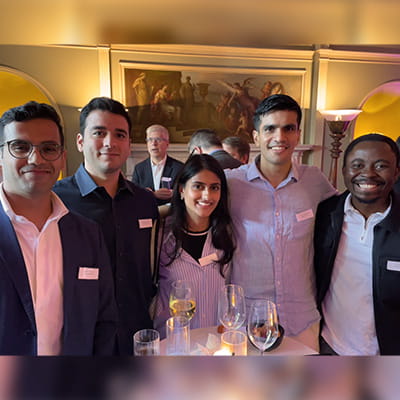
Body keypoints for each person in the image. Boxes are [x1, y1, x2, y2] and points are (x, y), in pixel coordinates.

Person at [0, 101, 117, 355]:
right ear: (1, 156)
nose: (36, 158)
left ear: (63, 158)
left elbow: (104, 321)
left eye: (48, 148)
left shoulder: (88, 234)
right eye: (20, 147)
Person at [225, 94, 336, 351]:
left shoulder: (314, 181)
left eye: (288, 128)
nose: (280, 137)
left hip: (302, 319)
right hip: (247, 320)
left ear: (298, 135)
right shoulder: (232, 183)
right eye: (270, 129)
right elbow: (189, 207)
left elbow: (346, 214)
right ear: (256, 137)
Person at [53, 97, 158, 355]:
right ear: (80, 141)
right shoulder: (56, 200)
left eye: (119, 135)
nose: (110, 142)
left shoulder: (144, 202)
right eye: (99, 133)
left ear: (129, 144)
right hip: (80, 340)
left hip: (138, 335)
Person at [315, 133, 400, 355]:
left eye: (381, 166)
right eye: (357, 165)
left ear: (396, 172)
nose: (368, 173)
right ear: (345, 171)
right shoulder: (325, 213)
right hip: (329, 345)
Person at [153, 154, 235, 337]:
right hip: (173, 341)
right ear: (182, 190)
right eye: (198, 186)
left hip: (215, 340)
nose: (207, 195)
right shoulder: (160, 236)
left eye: (214, 188)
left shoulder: (227, 234)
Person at [132, 124, 183, 205]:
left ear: (167, 143)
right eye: (150, 140)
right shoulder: (139, 169)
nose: (154, 143)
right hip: (146, 210)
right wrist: (152, 194)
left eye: (158, 139)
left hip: (171, 211)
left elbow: (185, 194)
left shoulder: (179, 168)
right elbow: (133, 196)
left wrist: (174, 194)